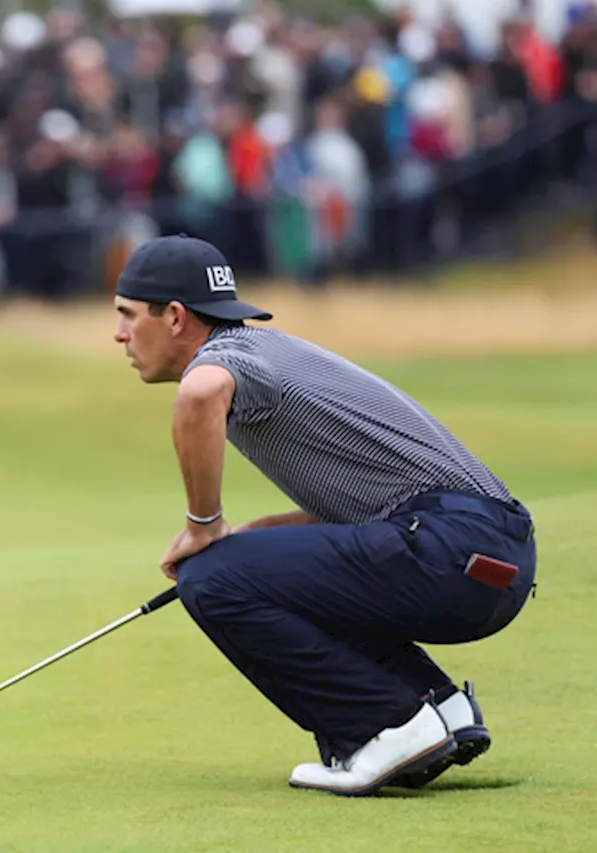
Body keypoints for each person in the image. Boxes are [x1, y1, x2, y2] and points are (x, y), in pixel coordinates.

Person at [111, 235, 537, 796]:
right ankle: (439, 708)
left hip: (451, 546)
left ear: (173, 317)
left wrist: (203, 524)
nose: (118, 334)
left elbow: (199, 395)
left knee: (209, 579)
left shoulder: (225, 358)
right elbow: (356, 515)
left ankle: (385, 729)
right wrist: (246, 540)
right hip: (487, 558)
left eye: (126, 316)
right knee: (233, 565)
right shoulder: (274, 351)